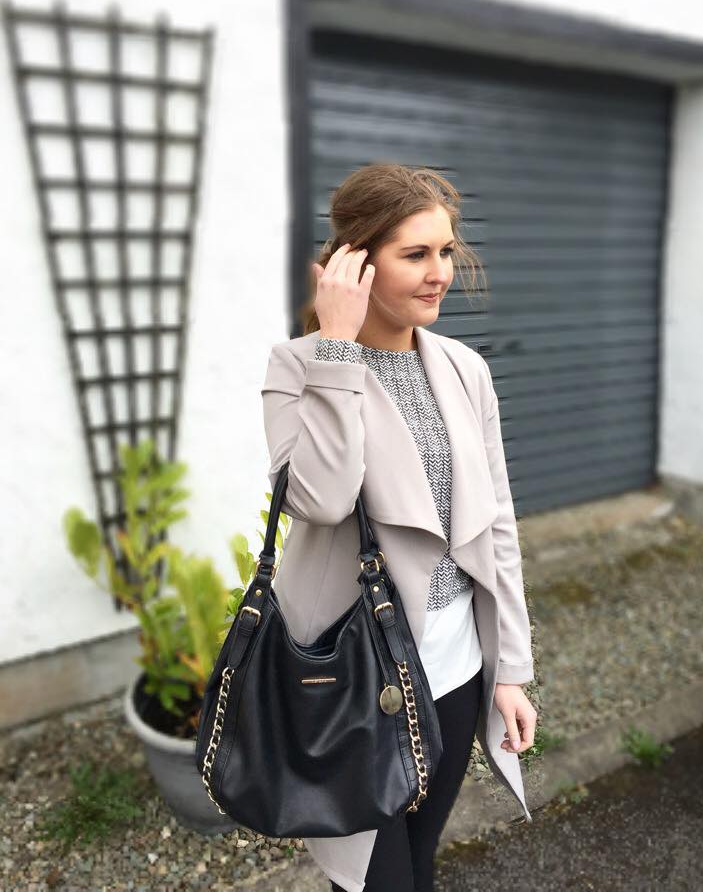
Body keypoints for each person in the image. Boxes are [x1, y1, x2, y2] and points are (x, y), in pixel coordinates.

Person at [262, 163, 536, 892]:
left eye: (445, 251)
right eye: (415, 254)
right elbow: (319, 499)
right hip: (353, 678)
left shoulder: (465, 369)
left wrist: (511, 669)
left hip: (456, 669)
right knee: (370, 879)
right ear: (356, 262)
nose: (439, 272)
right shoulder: (297, 367)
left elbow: (497, 527)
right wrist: (338, 348)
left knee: (419, 861)